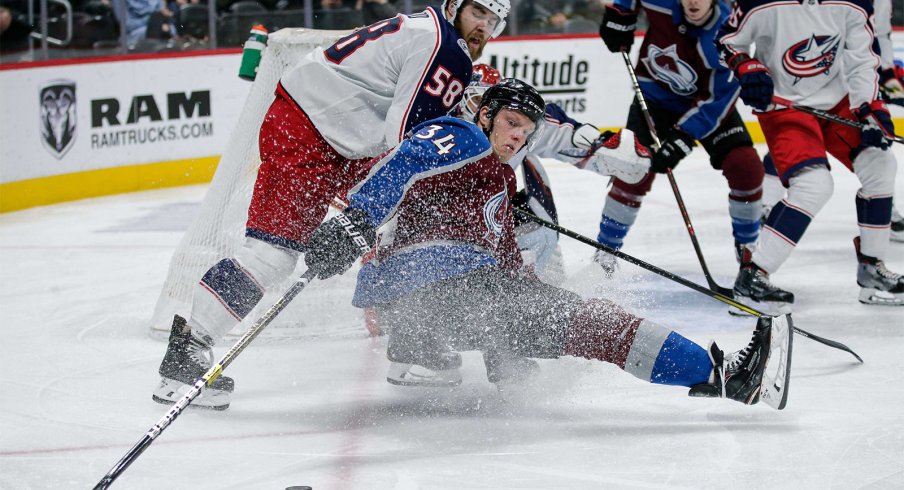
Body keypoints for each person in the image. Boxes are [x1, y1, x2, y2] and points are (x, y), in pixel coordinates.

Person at [303, 78, 793, 409]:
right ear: (487, 113)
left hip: (436, 303)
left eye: (527, 132)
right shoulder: (463, 135)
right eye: (512, 122)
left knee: (569, 317)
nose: (518, 137)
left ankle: (427, 350)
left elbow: (509, 274)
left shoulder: (495, 180)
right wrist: (355, 222)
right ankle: (729, 377)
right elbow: (406, 161)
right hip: (434, 288)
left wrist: (508, 349)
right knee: (596, 323)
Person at [152, 0, 512, 410]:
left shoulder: (426, 32)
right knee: (273, 255)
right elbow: (407, 143)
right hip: (310, 131)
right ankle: (188, 350)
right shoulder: (445, 48)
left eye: (493, 20)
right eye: (478, 12)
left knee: (403, 213)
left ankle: (414, 343)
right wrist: (361, 220)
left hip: (335, 130)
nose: (483, 26)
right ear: (454, 7)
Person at [382, 65, 653, 388]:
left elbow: (566, 135)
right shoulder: (441, 131)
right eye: (474, 100)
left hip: (511, 229)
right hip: (453, 237)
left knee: (510, 286)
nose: (477, 109)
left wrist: (603, 146)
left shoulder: (516, 128)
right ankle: (422, 347)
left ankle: (506, 354)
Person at [717, 0, 904, 309]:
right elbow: (726, 41)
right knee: (815, 186)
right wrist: (747, 66)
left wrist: (870, 109)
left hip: (838, 103)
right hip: (785, 107)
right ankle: (753, 276)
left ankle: (872, 267)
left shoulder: (855, 3)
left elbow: (861, 60)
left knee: (880, 164)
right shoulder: (760, 3)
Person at [596, 0, 766, 283]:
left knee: (746, 167)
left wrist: (684, 137)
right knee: (633, 170)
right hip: (654, 99)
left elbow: (719, 99)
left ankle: (749, 258)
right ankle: (604, 254)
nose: (693, 1)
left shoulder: (728, 34)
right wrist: (620, 13)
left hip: (705, 106)